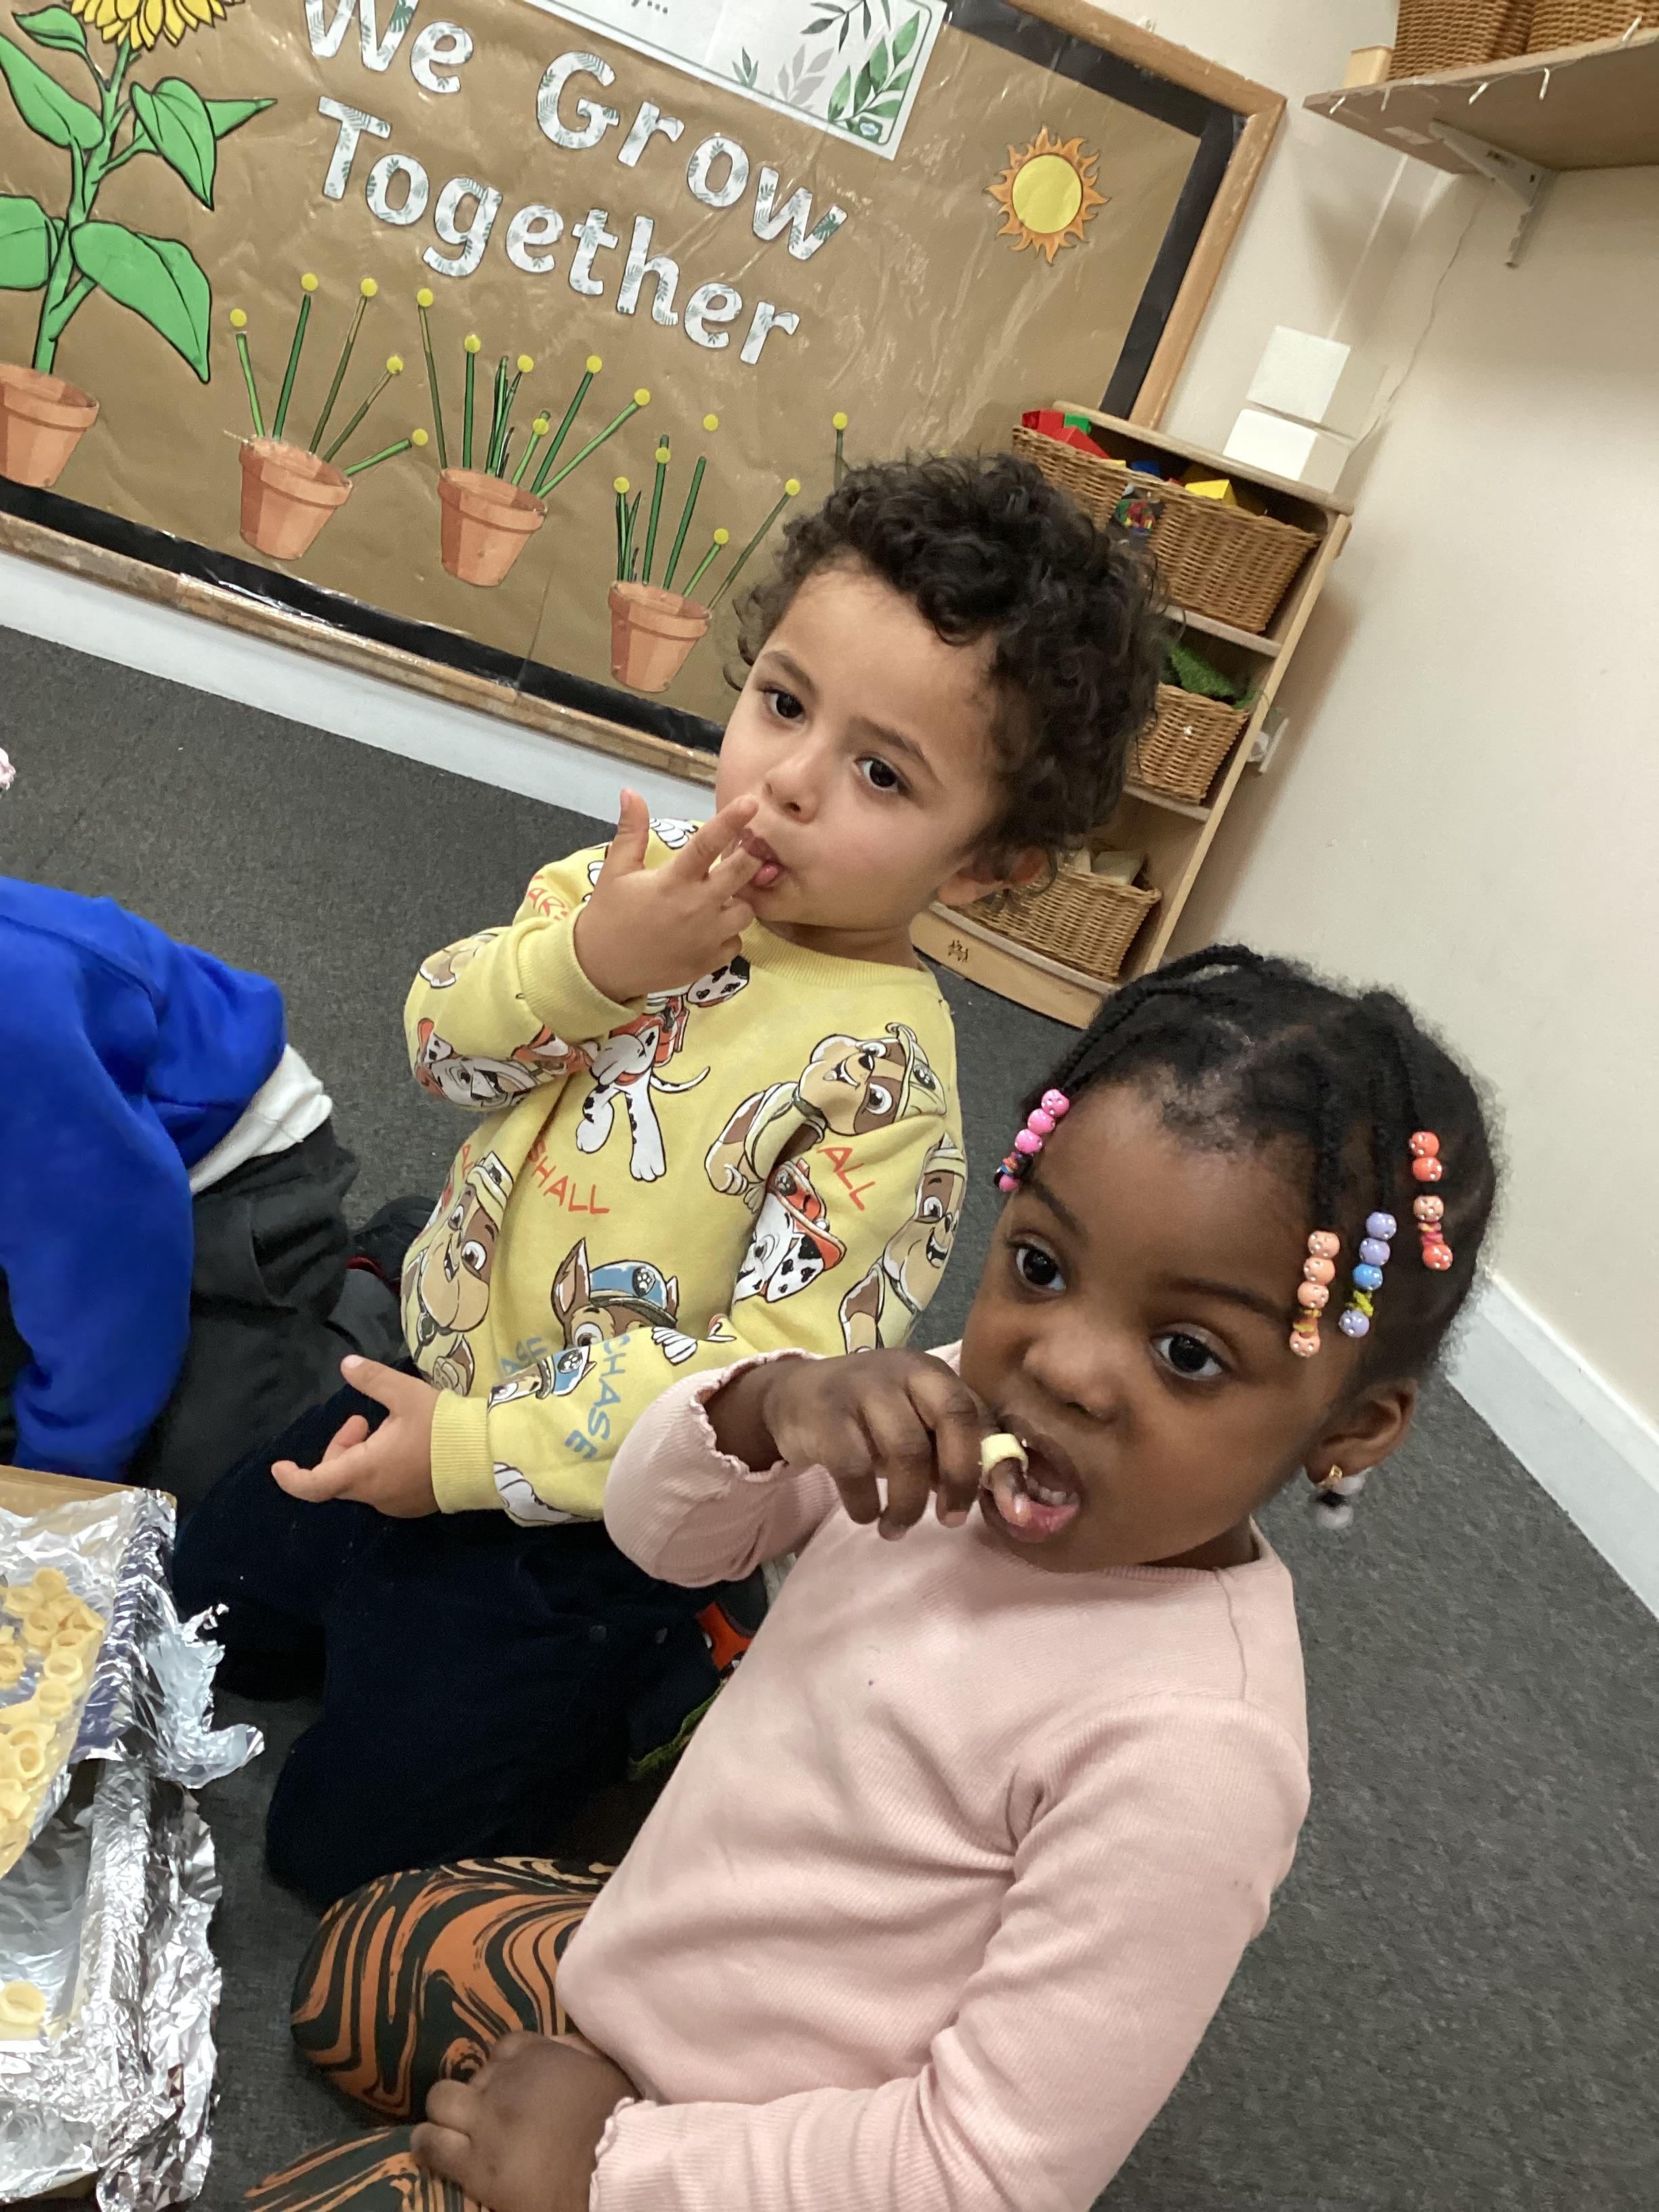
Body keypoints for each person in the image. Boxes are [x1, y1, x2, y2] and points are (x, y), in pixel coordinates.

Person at [245, 946, 1500, 2212]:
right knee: (351, 1970)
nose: (1059, 1367)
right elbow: (660, 1537)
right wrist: (761, 1410)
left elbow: (985, 2171)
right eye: (1042, 1267)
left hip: (778, 2148)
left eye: (1187, 1352)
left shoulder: (1193, 1752)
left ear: (1351, 1431)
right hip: (677, 1948)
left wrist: (612, 2169)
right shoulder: (944, 1406)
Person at [173, 451, 1166, 1906]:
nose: (787, 784)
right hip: (420, 1367)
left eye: (882, 774)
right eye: (783, 703)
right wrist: (587, 967)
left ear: (991, 863)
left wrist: (468, 1455)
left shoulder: (884, 1089)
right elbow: (441, 1049)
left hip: (578, 1532)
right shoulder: (623, 885)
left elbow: (756, 1380)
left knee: (334, 1860)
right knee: (195, 1607)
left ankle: (660, 1683)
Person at [0, 878, 402, 1513]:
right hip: (75, 1184)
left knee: (204, 1499)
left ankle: (381, 1280)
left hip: (237, 1168)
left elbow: (111, 1279)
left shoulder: (17, 1025)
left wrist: (48, 1494)